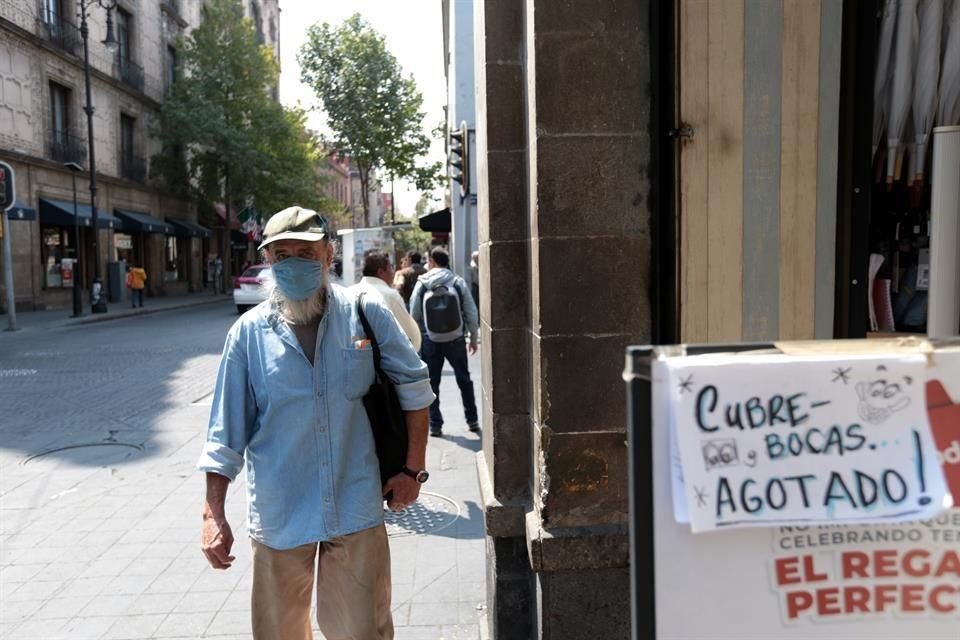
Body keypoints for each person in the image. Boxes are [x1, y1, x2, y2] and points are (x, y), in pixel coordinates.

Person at [196, 206, 434, 640]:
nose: (293, 264)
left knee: (363, 632)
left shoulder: (364, 312)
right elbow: (223, 433)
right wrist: (214, 512)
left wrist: (411, 469)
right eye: (281, 255)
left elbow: (415, 388)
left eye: (305, 253)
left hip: (355, 504)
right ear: (268, 262)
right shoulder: (247, 335)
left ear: (328, 256)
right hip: (280, 513)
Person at [409, 248, 480, 437]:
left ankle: (436, 425)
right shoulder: (457, 282)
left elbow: (414, 313)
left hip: (430, 339)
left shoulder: (422, 284)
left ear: (432, 261)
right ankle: (472, 420)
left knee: (432, 383)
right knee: (464, 379)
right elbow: (471, 312)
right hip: (455, 338)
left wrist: (420, 336)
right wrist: (473, 338)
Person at [351, 250, 422, 351]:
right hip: (384, 358)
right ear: (380, 272)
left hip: (354, 355)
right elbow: (409, 332)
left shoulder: (350, 292)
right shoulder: (390, 295)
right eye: (390, 268)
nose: (393, 272)